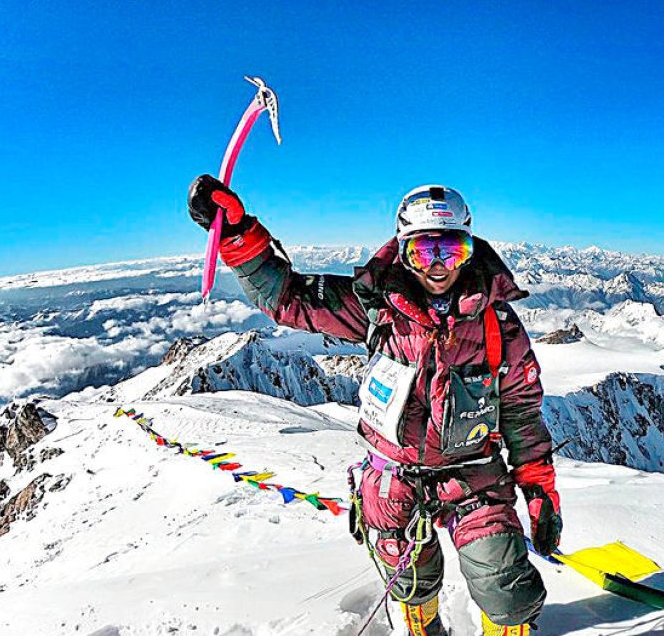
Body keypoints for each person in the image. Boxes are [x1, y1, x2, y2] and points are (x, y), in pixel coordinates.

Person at [188, 176, 562, 636]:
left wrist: (540, 492)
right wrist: (236, 233)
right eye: (423, 252)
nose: (439, 266)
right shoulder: (374, 306)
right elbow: (287, 298)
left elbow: (522, 413)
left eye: (451, 250)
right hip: (392, 479)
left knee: (506, 588)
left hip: (474, 475)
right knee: (410, 584)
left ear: (470, 249)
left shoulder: (498, 325)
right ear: (402, 251)